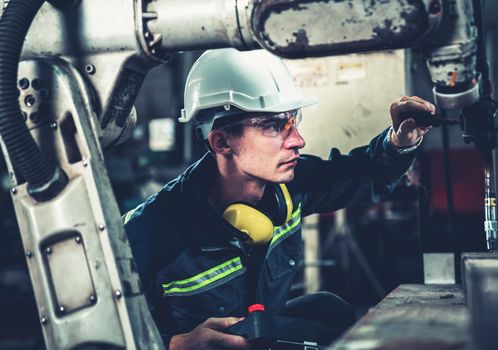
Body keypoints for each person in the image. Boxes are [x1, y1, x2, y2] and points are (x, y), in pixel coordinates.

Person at [123, 48, 434, 349]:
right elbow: (83, 329)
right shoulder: (148, 232)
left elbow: (366, 174)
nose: (298, 140)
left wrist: (401, 141)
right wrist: (174, 345)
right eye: (274, 126)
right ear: (221, 141)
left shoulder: (290, 186)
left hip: (261, 336)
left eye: (292, 121)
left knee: (328, 310)